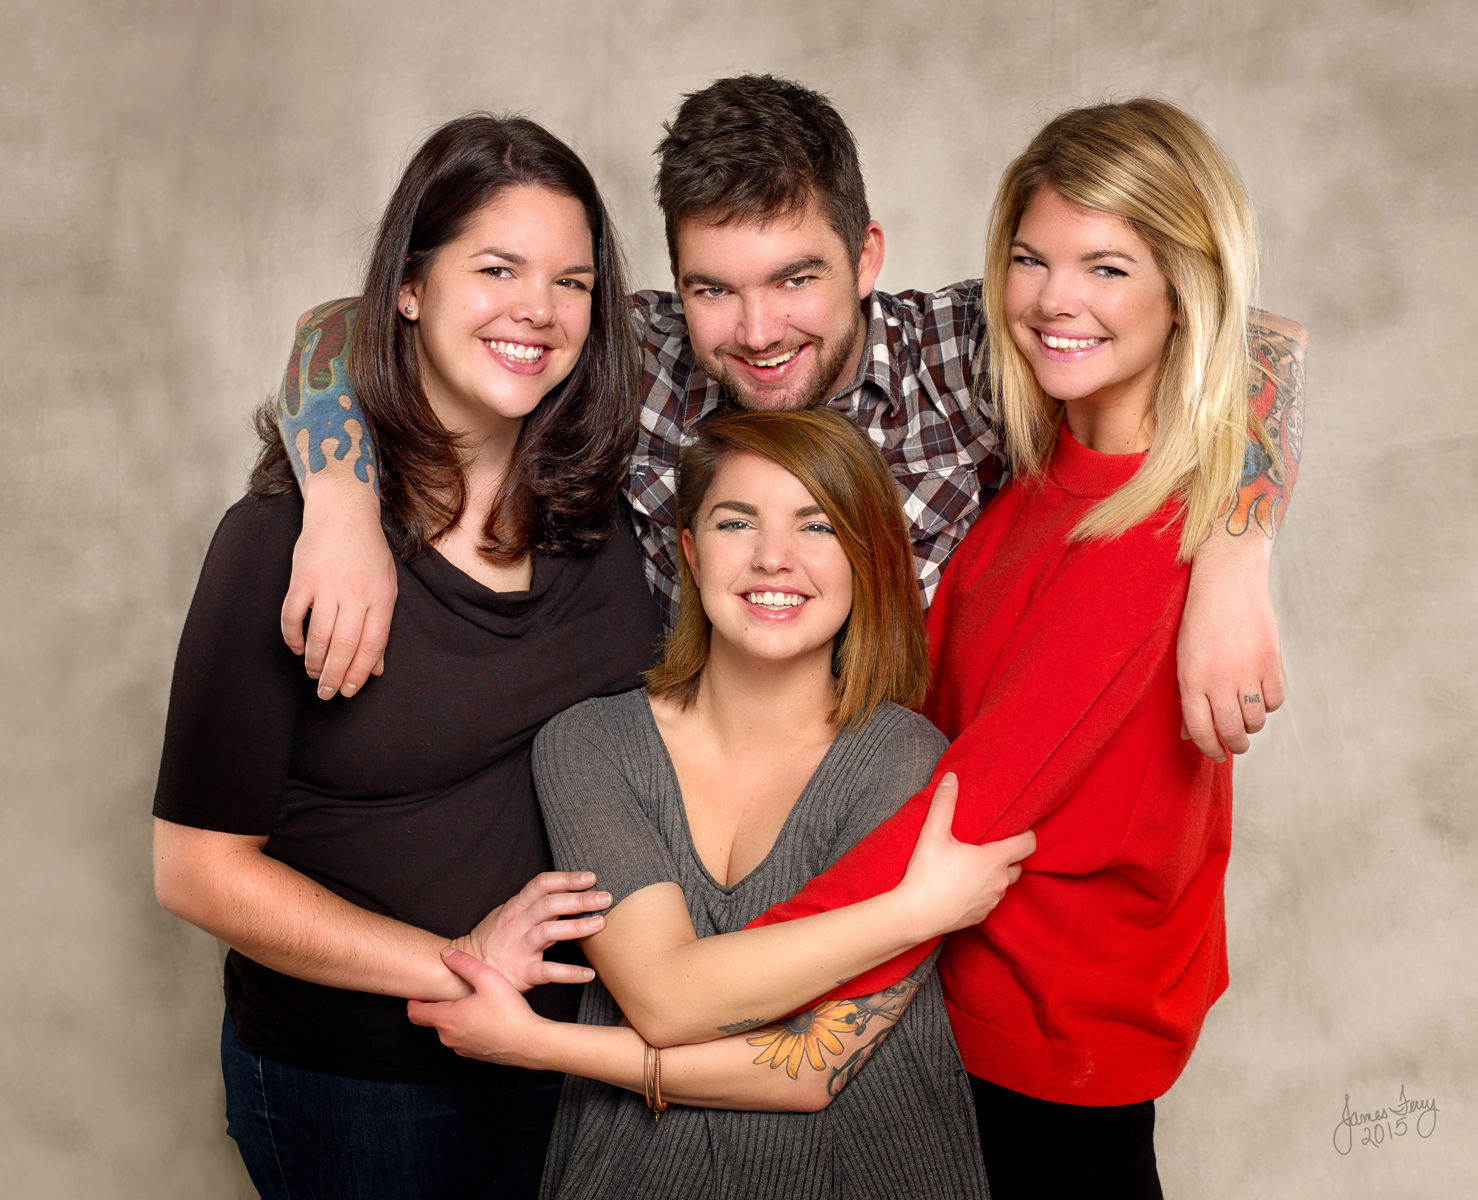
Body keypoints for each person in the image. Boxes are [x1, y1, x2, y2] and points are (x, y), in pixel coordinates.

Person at [271, 74, 1306, 765]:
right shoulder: (636, 356)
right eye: (712, 289)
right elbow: (341, 324)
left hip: (899, 817)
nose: (757, 332)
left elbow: (1252, 341)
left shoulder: (970, 355)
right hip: (673, 817)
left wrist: (1233, 568)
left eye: (795, 279)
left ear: (864, 256)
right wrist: (338, 511)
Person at [740, 98, 1296, 1198]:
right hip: (972, 1011)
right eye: (1031, 259)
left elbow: (962, 814)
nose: (1053, 301)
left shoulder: (1151, 539)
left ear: (1183, 293)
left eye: (1106, 268)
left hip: (1040, 1051)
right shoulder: (1041, 468)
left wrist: (720, 973)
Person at [151, 114, 662, 1199]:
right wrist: (460, 963)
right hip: (361, 1088)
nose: (538, 307)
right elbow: (197, 871)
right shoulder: (281, 546)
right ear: (410, 288)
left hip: (577, 1063)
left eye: (571, 281)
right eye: (495, 267)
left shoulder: (606, 523)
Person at [407, 408, 1034, 1200]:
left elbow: (811, 1069)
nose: (775, 559)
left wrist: (538, 1045)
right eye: (738, 523)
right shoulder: (589, 745)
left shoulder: (907, 761)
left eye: (818, 527)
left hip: (869, 1175)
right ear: (692, 555)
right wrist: (917, 911)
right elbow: (665, 999)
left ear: (869, 560)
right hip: (635, 1178)